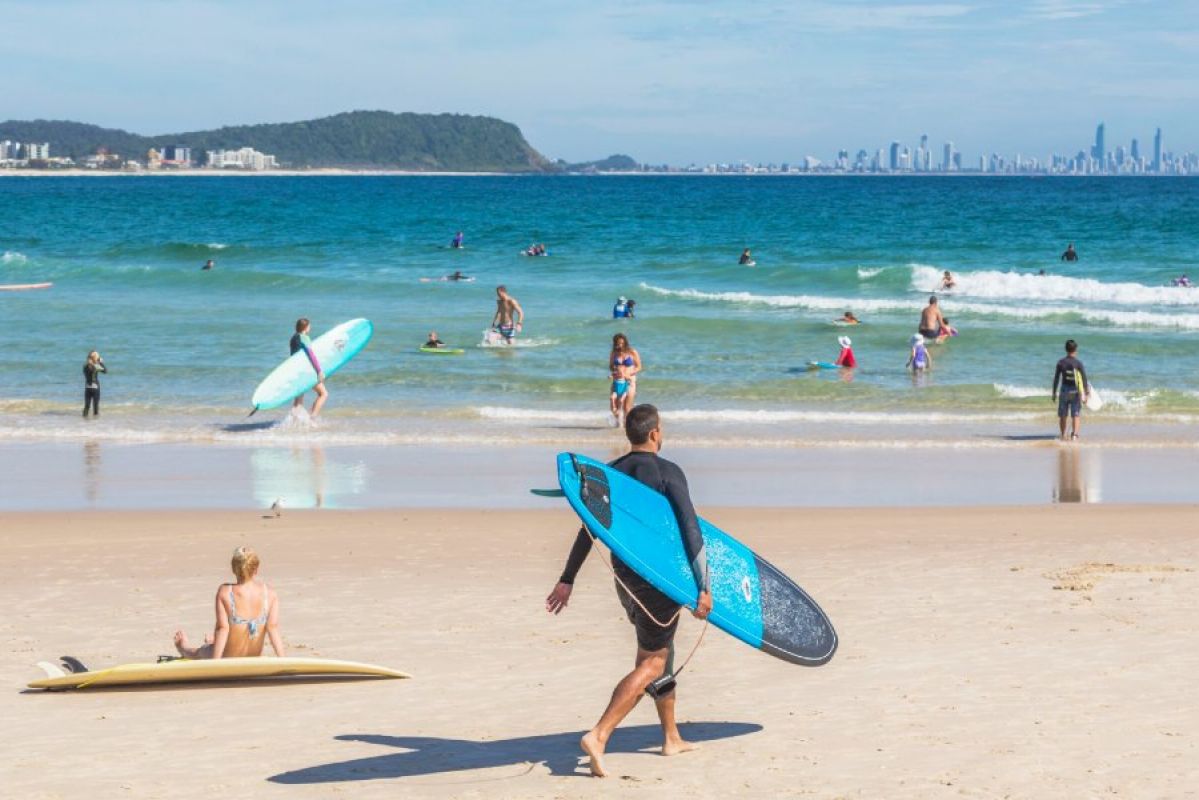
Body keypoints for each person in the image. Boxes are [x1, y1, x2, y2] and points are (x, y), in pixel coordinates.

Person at [545, 404, 712, 778]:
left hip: (625, 580)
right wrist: (704, 586)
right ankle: (599, 735)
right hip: (659, 581)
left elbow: (589, 529)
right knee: (651, 663)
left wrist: (567, 578)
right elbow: (690, 530)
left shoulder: (612, 474)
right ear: (655, 433)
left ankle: (671, 737)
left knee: (659, 653)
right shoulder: (669, 473)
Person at [173, 546, 284, 660]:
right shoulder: (270, 593)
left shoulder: (225, 592)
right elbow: (273, 628)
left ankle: (184, 648)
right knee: (212, 645)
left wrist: (215, 661)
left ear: (233, 569)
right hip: (253, 657)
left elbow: (222, 628)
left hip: (227, 657)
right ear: (256, 569)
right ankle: (211, 644)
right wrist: (283, 660)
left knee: (200, 652)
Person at [1052, 339, 1089, 441]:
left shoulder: (1060, 362)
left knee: (1063, 415)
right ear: (1075, 350)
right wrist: (1086, 393)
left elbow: (1056, 378)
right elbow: (1084, 379)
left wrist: (1054, 392)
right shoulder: (1078, 363)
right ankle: (1074, 435)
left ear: (1065, 349)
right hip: (1075, 391)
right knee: (1075, 414)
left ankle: (1063, 435)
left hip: (1064, 390)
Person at [290, 318, 327, 418]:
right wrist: (319, 371)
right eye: (309, 326)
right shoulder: (304, 337)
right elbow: (311, 355)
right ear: (305, 327)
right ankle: (312, 418)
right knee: (323, 394)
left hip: (296, 371)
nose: (310, 327)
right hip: (306, 372)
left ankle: (294, 423)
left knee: (299, 399)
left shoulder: (294, 338)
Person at [608, 333, 642, 427]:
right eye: (618, 344)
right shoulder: (614, 353)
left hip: (630, 381)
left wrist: (628, 374)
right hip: (617, 380)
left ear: (625, 343)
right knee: (613, 403)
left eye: (622, 343)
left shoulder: (632, 352)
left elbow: (639, 367)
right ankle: (618, 422)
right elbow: (611, 366)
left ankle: (627, 427)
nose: (620, 345)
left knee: (627, 407)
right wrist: (615, 371)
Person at [82, 350, 106, 418]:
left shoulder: (85, 366)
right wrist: (100, 363)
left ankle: (84, 422)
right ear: (96, 358)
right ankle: (95, 424)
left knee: (87, 406)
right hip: (95, 388)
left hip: (87, 388)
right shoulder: (96, 366)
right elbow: (105, 371)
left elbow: (87, 373)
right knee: (95, 407)